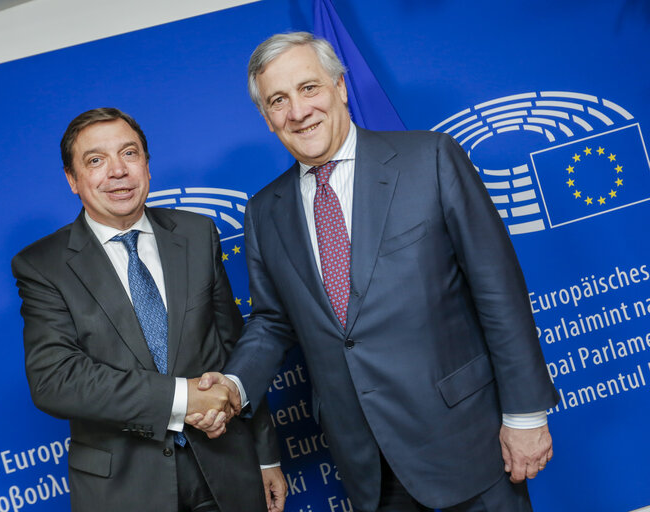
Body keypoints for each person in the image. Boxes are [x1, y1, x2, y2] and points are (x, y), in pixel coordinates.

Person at [191, 33, 559, 512]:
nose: (298, 111)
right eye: (278, 100)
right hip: (366, 463)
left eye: (309, 88)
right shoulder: (264, 211)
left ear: (340, 87)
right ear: (267, 117)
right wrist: (233, 386)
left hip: (468, 442)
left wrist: (526, 415)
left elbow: (499, 291)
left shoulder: (430, 159)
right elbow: (272, 322)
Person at [11, 108, 286, 512]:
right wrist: (183, 398)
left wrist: (266, 455)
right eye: (96, 160)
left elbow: (235, 351)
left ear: (147, 166)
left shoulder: (195, 233)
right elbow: (56, 379)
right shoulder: (42, 265)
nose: (118, 171)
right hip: (125, 488)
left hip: (228, 468)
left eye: (130, 153)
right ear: (73, 180)